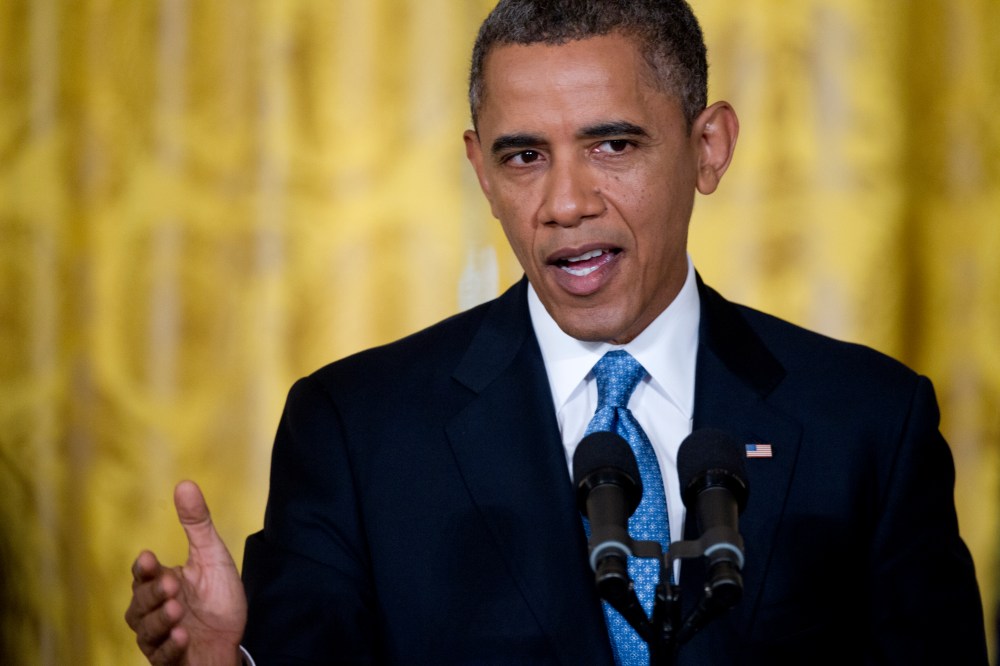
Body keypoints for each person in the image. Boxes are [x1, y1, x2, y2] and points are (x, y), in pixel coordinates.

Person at [125, 1, 989, 664]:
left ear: (710, 146)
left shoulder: (871, 421)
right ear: (480, 170)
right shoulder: (357, 429)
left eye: (612, 145)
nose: (565, 203)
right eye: (523, 155)